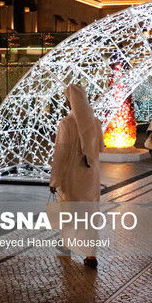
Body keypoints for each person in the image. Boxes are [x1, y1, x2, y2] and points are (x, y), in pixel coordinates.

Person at [49, 84, 104, 268]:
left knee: (71, 213)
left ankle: (67, 245)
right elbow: (100, 148)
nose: (66, 101)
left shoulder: (66, 123)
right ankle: (90, 255)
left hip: (72, 177)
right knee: (90, 214)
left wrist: (54, 180)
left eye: (67, 98)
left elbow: (61, 154)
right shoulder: (95, 122)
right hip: (91, 177)